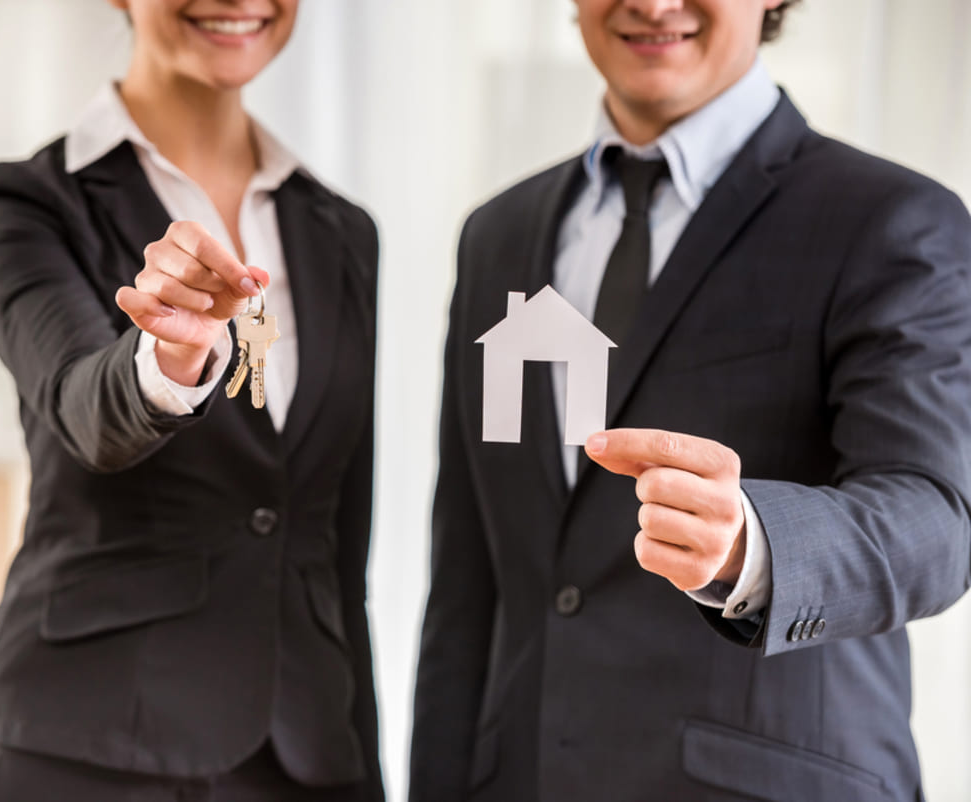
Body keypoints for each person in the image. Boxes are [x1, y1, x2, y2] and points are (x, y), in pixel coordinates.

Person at [410, 0, 971, 799]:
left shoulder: (889, 221)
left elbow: (936, 521)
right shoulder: (497, 235)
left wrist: (752, 544)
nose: (651, 5)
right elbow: (468, 583)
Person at [0, 1, 382, 799]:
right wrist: (168, 356)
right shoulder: (27, 204)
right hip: (88, 746)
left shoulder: (342, 231)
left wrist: (360, 763)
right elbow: (82, 404)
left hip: (303, 757)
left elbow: (332, 540)